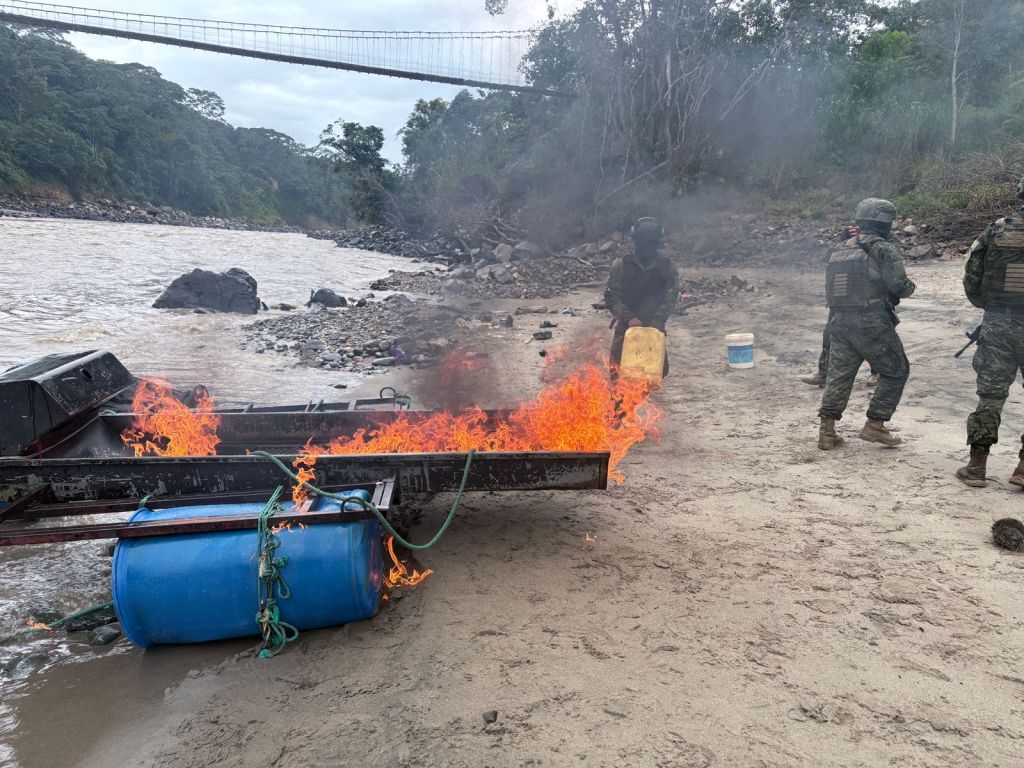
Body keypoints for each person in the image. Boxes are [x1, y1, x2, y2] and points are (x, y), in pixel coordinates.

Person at [818, 198, 915, 450]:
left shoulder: (839, 248)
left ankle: (827, 432)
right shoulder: (882, 248)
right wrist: (910, 287)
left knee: (838, 376)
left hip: (838, 321)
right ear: (884, 221)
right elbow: (900, 287)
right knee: (896, 370)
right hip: (871, 321)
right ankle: (875, 425)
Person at [957, 179, 1024, 488]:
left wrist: (988, 307)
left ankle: (977, 466)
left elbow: (972, 275)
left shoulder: (996, 230)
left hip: (998, 322)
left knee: (991, 395)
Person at [803, 225, 879, 389]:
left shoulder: (879, 240)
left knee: (871, 337)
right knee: (830, 336)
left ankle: (878, 372)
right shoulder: (845, 242)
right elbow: (829, 256)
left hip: (866, 300)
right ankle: (824, 374)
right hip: (841, 299)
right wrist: (844, 239)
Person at [605, 217, 679, 378]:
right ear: (636, 242)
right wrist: (629, 318)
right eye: (643, 243)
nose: (647, 248)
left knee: (657, 372)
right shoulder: (622, 265)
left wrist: (656, 323)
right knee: (617, 371)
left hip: (654, 327)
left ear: (657, 243)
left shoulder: (667, 267)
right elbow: (611, 296)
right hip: (626, 327)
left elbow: (671, 297)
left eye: (651, 243)